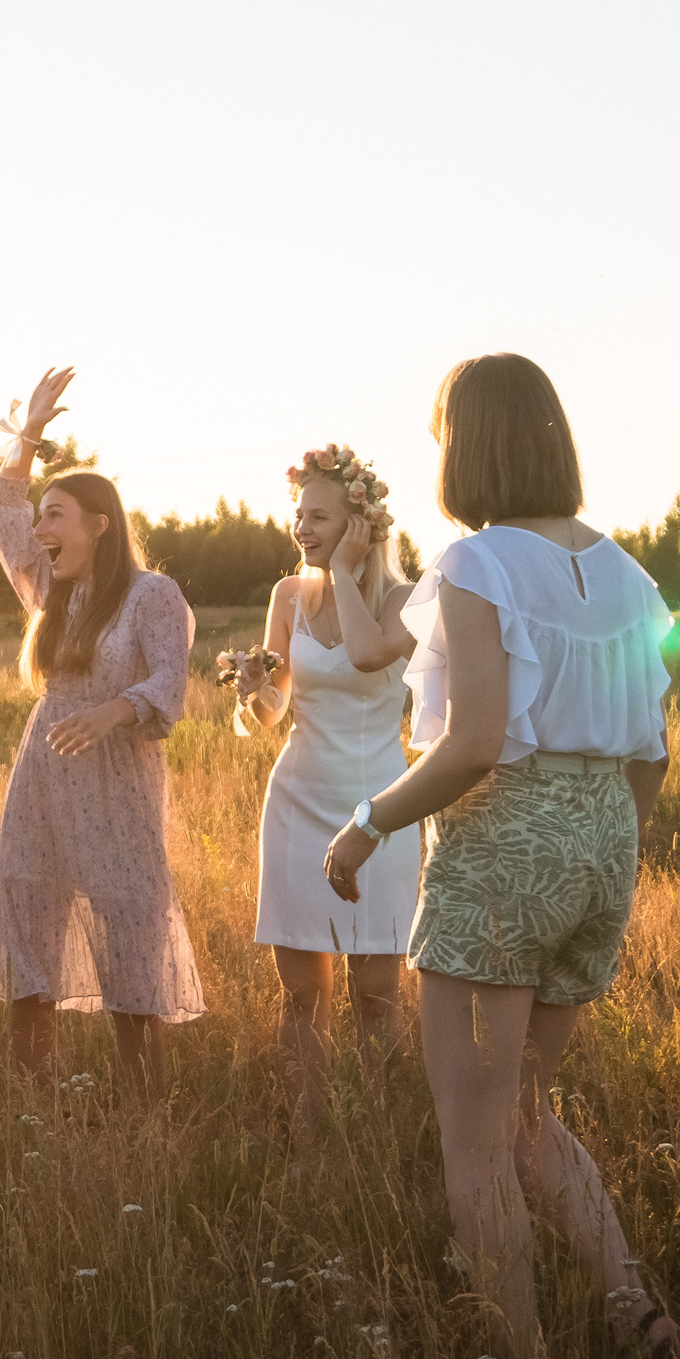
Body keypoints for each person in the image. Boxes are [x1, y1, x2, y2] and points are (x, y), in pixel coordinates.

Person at [324, 354, 680, 1358]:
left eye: (443, 432)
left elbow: (475, 741)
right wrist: (603, 850)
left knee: (474, 1144)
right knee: (526, 1111)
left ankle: (518, 1345)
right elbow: (654, 748)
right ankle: (637, 1316)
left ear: (469, 443)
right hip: (601, 844)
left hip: (503, 845)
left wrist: (369, 820)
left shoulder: (476, 563)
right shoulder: (628, 572)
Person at [0, 367, 199, 1099]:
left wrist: (117, 709)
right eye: (41, 518)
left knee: (132, 953)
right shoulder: (48, 591)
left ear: (98, 523)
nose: (39, 530)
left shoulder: (152, 595)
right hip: (42, 781)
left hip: (117, 789)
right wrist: (29, 436)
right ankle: (31, 1117)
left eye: (56, 515)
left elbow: (171, 679)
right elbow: (0, 510)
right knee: (29, 943)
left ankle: (147, 1124)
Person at [232, 442, 417, 1137]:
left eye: (320, 516)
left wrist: (343, 571)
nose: (302, 528)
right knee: (301, 992)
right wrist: (253, 695)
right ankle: (308, 1132)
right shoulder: (286, 596)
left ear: (361, 523)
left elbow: (370, 655)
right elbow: (275, 710)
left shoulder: (407, 601)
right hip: (298, 804)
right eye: (298, 514)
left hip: (382, 810)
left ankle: (377, 1132)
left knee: (377, 992)